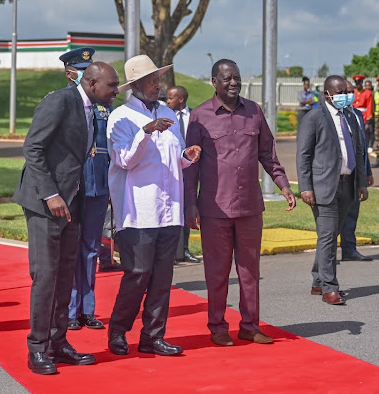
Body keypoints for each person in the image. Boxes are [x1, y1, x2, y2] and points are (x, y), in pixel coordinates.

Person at [13, 61, 120, 375]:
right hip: (45, 203)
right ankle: (38, 348)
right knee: (46, 277)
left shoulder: (92, 110)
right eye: (111, 86)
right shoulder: (60, 101)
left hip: (73, 205)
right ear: (91, 83)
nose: (115, 91)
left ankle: (58, 343)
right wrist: (50, 194)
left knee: (64, 276)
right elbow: (32, 147)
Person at [185, 60, 295, 347]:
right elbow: (190, 166)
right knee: (217, 272)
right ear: (214, 82)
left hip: (249, 207)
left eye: (237, 77)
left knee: (249, 271)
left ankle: (249, 326)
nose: (233, 82)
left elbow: (268, 154)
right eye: (227, 78)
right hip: (214, 209)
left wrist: (283, 184)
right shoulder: (199, 116)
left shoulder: (254, 112)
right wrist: (190, 204)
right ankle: (218, 326)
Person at [106, 55, 201, 357]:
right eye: (151, 80)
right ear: (135, 85)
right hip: (138, 211)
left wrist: (187, 156)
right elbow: (123, 160)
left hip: (169, 209)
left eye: (158, 79)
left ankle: (153, 335)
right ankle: (119, 331)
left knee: (162, 277)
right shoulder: (120, 116)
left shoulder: (167, 112)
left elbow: (172, 159)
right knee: (138, 274)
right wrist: (146, 132)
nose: (157, 85)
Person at [56, 48, 115, 331]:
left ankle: (86, 309)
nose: (85, 73)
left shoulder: (105, 106)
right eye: (81, 69)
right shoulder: (59, 102)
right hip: (72, 186)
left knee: (91, 248)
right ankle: (68, 309)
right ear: (70, 73)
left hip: (98, 185)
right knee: (69, 249)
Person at [296, 75, 368, 305]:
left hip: (348, 185)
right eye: (339, 93)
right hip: (323, 187)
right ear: (327, 94)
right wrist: (305, 187)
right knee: (327, 237)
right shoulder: (314, 117)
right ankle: (330, 287)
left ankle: (318, 281)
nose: (344, 96)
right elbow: (303, 155)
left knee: (330, 235)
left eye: (345, 92)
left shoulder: (349, 116)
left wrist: (362, 182)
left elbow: (358, 150)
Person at [340, 79, 374, 262]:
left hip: (356, 172)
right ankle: (328, 254)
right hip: (337, 174)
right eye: (346, 92)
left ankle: (349, 249)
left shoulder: (357, 115)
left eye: (351, 92)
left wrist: (367, 172)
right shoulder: (331, 115)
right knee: (333, 217)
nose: (349, 96)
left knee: (352, 212)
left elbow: (362, 147)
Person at [167, 85, 200, 264]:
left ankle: (185, 250)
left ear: (181, 99)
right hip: (172, 169)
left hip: (191, 168)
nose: (167, 101)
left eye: (171, 98)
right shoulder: (166, 116)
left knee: (188, 208)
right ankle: (171, 253)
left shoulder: (195, 116)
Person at [352, 75, 373, 150]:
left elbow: (369, 106)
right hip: (353, 115)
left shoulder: (368, 93)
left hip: (363, 116)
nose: (358, 85)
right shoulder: (353, 92)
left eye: (359, 83)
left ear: (362, 83)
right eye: (356, 83)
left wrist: (368, 121)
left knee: (363, 135)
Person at [364, 79, 375, 149]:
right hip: (367, 115)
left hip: (373, 115)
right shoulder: (364, 94)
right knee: (366, 131)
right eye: (366, 86)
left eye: (369, 85)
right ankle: (367, 145)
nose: (367, 87)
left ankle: (370, 145)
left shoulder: (374, 94)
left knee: (371, 131)